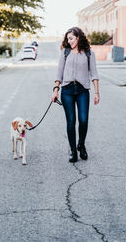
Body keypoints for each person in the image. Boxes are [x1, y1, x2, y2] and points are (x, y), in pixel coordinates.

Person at [52, 27, 100, 163]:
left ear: (78, 37)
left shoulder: (89, 53)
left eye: (71, 38)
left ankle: (81, 145)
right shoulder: (65, 52)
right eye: (67, 39)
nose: (69, 41)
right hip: (67, 90)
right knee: (71, 121)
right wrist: (56, 90)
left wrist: (97, 92)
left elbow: (94, 74)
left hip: (82, 90)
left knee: (83, 120)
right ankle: (73, 150)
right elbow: (59, 73)